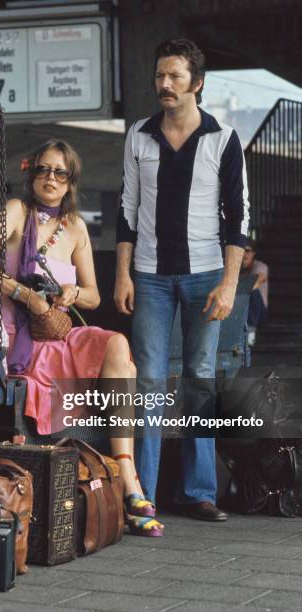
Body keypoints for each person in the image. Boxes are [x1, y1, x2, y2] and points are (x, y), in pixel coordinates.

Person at [0, 138, 164, 537]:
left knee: (118, 346)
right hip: (22, 337)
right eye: (43, 169)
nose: (50, 178)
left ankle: (124, 469)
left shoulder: (75, 228)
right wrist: (25, 295)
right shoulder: (18, 212)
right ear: (31, 174)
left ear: (71, 182)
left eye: (60, 172)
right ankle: (132, 487)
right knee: (119, 359)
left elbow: (93, 295)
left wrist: (70, 294)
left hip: (58, 331)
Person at [114, 38, 249, 522]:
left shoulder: (223, 138)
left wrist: (230, 283)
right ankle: (142, 493)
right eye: (158, 76)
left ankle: (199, 492)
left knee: (198, 379)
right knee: (148, 381)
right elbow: (126, 210)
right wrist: (123, 274)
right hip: (148, 276)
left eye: (173, 76)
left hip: (207, 275)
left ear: (197, 83)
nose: (164, 84)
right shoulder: (139, 135)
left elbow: (238, 217)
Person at [241, 238, 268, 346]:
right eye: (241, 250)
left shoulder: (260, 266)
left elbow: (259, 280)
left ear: (253, 253)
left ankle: (251, 331)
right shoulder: (237, 268)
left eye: (247, 251)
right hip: (242, 309)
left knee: (253, 292)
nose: (244, 254)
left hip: (259, 312)